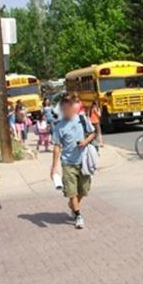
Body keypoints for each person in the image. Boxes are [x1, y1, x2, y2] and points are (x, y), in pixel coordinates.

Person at [50, 96, 95, 229]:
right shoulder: (58, 127)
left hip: (84, 161)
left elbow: (92, 133)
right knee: (71, 192)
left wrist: (85, 142)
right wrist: (54, 167)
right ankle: (78, 215)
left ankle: (72, 205)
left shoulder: (82, 119)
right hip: (68, 163)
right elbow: (57, 147)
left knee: (84, 190)